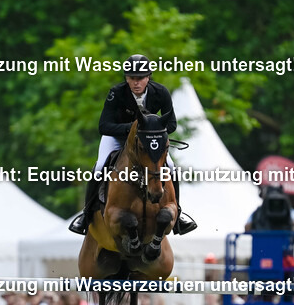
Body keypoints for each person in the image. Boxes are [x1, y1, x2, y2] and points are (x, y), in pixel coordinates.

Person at [68, 54, 197, 236]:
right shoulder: (116, 93)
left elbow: (172, 124)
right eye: (132, 78)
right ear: (126, 78)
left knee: (171, 167)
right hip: (117, 138)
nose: (136, 83)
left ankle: (179, 216)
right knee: (99, 167)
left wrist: (151, 132)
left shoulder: (161, 92)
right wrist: (132, 129)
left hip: (147, 141)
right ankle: (86, 214)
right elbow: (104, 126)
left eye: (141, 78)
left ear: (148, 77)